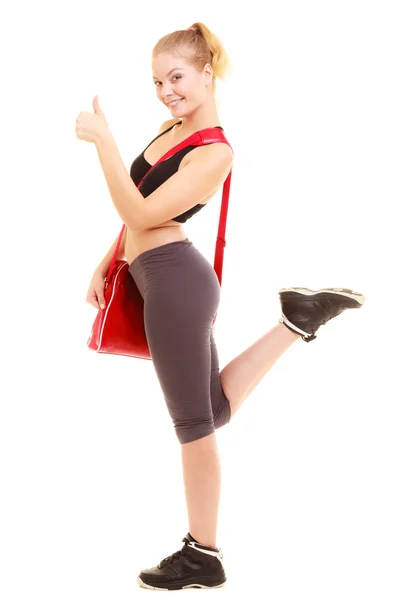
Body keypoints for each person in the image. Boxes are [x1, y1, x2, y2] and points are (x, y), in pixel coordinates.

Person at [84, 22, 365, 592]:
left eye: (178, 77)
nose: (167, 91)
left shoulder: (215, 152)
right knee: (208, 411)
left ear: (208, 73)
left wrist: (105, 143)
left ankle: (202, 553)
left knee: (195, 427)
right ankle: (296, 320)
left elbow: (142, 216)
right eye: (158, 80)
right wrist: (106, 260)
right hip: (158, 277)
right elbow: (137, 209)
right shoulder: (171, 129)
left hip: (174, 284)